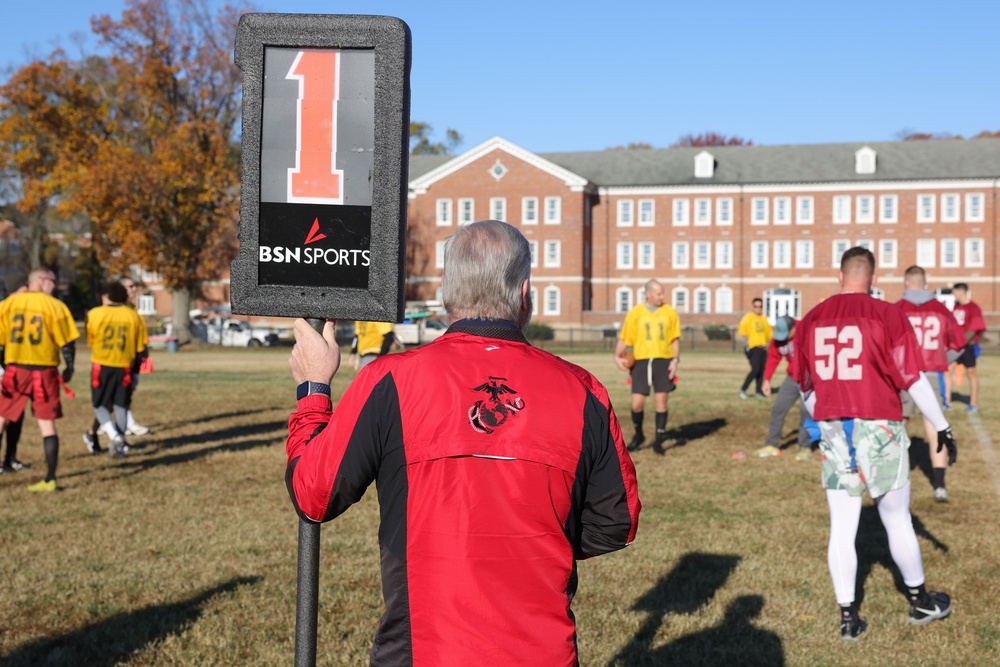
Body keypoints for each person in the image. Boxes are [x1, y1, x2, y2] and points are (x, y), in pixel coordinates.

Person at [285, 220, 640, 666]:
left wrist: (314, 391)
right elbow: (614, 524)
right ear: (525, 291)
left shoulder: (390, 380)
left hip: (423, 651)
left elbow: (313, 494)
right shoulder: (583, 391)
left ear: (445, 291)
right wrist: (533, 547)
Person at [793, 247, 955, 640]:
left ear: (839, 275)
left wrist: (827, 421)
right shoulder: (886, 314)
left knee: (842, 527)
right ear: (874, 278)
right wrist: (942, 425)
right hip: (878, 423)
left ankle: (848, 617)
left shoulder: (812, 319)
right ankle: (919, 599)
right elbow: (912, 377)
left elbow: (804, 385)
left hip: (835, 425)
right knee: (896, 518)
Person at [0, 268, 80, 492]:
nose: (55, 286)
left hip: (16, 369)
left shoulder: (8, 304)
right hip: (44, 370)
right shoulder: (55, 306)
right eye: (53, 282)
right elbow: (68, 343)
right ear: (43, 281)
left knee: (1, 420)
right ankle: (50, 478)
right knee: (47, 425)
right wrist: (70, 367)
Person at [894, 266, 965, 502]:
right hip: (931, 374)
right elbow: (959, 344)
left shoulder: (897, 309)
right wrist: (941, 360)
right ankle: (939, 484)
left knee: (896, 428)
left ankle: (896, 477)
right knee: (935, 427)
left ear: (906, 282)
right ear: (925, 283)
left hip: (903, 375)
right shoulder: (940, 309)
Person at [614, 279, 681, 455]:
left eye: (663, 293)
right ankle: (639, 435)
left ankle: (658, 442)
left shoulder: (669, 312)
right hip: (641, 362)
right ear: (648, 293)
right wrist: (617, 356)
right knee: (637, 404)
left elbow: (675, 339)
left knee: (661, 402)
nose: (662, 297)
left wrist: (675, 360)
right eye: (659, 293)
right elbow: (625, 338)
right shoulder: (635, 313)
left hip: (663, 361)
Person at [85, 281, 149, 458]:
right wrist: (136, 372)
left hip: (102, 364)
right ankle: (120, 447)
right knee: (121, 406)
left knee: (99, 404)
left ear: (106, 296)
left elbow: (91, 339)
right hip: (125, 366)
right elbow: (140, 348)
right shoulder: (133, 316)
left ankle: (114, 436)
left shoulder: (95, 314)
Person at [754, 315, 820, 460]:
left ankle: (805, 447)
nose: (781, 339)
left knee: (806, 411)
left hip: (810, 379)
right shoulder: (778, 337)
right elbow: (773, 357)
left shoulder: (808, 331)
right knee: (778, 408)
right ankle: (772, 443)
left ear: (794, 328)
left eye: (786, 335)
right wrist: (766, 380)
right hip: (792, 377)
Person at [0, 270, 28, 473]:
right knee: (3, 416)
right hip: (4, 370)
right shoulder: (4, 309)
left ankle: (11, 458)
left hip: (19, 369)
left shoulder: (25, 310)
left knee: (16, 416)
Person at [119, 277, 150, 435]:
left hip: (135, 354)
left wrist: (144, 349)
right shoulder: (119, 309)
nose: (134, 289)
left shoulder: (132, 307)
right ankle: (127, 422)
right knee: (122, 390)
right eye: (130, 286)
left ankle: (115, 421)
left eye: (134, 286)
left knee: (129, 389)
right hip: (122, 357)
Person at [951, 282, 985, 412]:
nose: (953, 294)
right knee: (948, 370)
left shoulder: (973, 307)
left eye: (954, 291)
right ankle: (947, 401)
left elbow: (974, 329)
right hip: (955, 345)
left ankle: (973, 403)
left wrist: (961, 342)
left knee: (971, 373)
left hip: (967, 345)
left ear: (961, 292)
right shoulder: (956, 306)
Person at [738, 297, 772, 399]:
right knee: (755, 369)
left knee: (762, 371)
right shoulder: (748, 317)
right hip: (753, 348)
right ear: (753, 307)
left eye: (760, 306)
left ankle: (758, 391)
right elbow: (743, 333)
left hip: (763, 348)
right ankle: (743, 390)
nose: (758, 308)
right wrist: (746, 347)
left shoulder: (763, 318)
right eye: (756, 306)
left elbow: (769, 334)